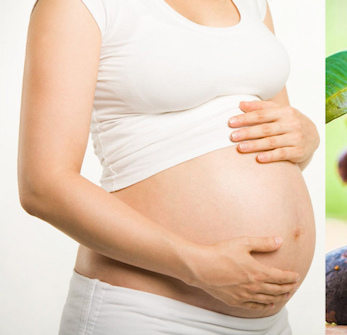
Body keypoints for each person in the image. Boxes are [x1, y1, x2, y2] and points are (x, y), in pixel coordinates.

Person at [18, 0, 319, 333]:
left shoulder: (251, 4)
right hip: (146, 311)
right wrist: (197, 266)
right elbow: (43, 186)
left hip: (270, 324)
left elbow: (271, 142)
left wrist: (307, 138)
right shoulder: (80, 5)